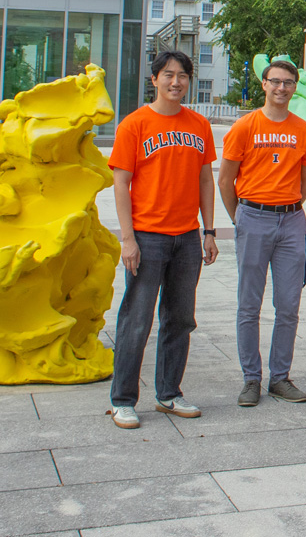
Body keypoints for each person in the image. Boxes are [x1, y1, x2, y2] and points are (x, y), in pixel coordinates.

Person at [107, 50, 217, 429]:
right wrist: (127, 239)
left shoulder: (199, 125)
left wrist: (209, 230)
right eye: (168, 74)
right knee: (135, 321)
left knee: (180, 319)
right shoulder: (135, 124)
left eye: (183, 75)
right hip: (147, 238)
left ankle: (169, 394)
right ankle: (123, 400)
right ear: (154, 80)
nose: (176, 81)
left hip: (186, 238)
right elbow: (120, 182)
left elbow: (205, 179)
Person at [219, 59, 306, 406]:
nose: (282, 88)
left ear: (295, 86)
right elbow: (225, 178)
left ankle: (280, 377)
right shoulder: (245, 126)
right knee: (249, 304)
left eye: (288, 82)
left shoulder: (303, 130)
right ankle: (250, 379)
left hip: (290, 221)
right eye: (275, 81)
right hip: (253, 217)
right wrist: (241, 217)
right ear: (264, 84)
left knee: (288, 305)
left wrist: (286, 206)